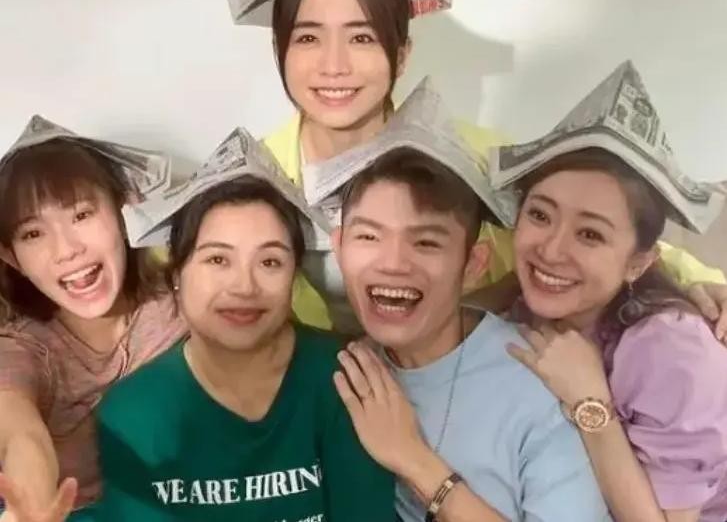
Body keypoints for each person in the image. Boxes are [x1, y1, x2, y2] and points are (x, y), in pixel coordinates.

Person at [227, 0, 727, 336]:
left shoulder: (475, 156)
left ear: (401, 55)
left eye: (361, 38)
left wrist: (698, 281)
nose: (334, 66)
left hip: (464, 376)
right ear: (280, 51)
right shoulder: (257, 175)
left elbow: (600, 226)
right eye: (308, 38)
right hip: (320, 391)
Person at [305, 99, 612, 520]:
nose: (393, 263)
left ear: (472, 265)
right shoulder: (340, 371)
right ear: (339, 249)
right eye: (369, 237)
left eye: (426, 242)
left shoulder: (538, 380)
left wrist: (414, 459)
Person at [91, 128, 395, 521]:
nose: (244, 286)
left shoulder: (345, 379)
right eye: (218, 260)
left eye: (270, 262)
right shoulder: (134, 414)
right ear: (177, 274)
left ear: (293, 276)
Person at [501, 64, 727, 521]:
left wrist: (591, 403)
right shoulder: (526, 313)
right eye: (540, 215)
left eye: (590, 234)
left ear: (638, 262)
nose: (551, 250)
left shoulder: (671, 348)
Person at [0, 116, 185, 521]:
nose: (67, 250)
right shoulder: (23, 349)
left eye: (81, 215)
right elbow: (19, 433)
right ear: (12, 257)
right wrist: (31, 505)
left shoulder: (181, 304)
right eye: (33, 234)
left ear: (122, 213)